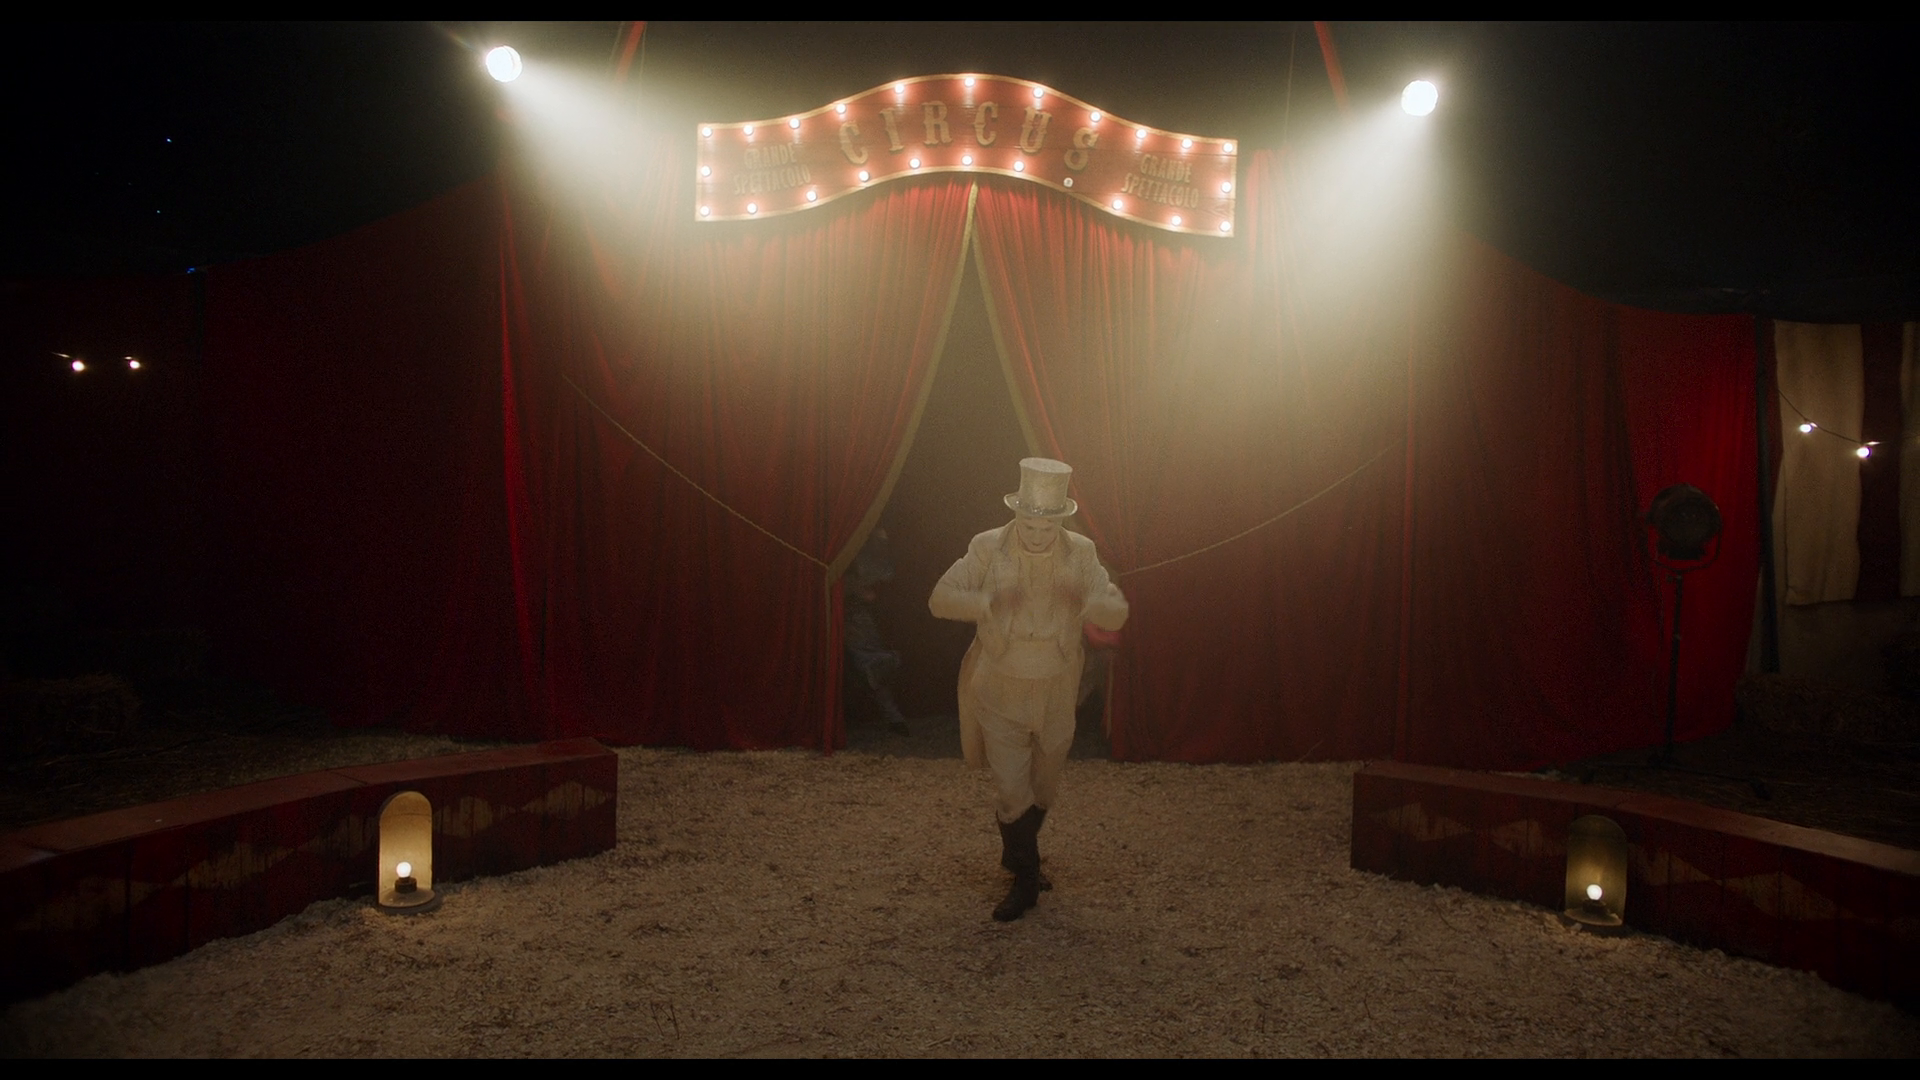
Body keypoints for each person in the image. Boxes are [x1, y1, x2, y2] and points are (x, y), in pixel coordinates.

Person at [928, 457, 1129, 921]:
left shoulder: (1081, 552)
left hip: (1057, 684)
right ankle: (1026, 876)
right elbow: (940, 598)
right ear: (1016, 513)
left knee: (1045, 782)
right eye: (1029, 525)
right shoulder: (986, 546)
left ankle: (1016, 851)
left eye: (1047, 527)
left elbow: (1116, 613)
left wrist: (1087, 600)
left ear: (1061, 521)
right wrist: (988, 601)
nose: (1037, 536)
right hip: (1000, 682)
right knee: (1010, 785)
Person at [844, 528, 909, 735]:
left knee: (874, 668)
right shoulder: (854, 562)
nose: (880, 545)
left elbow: (882, 585)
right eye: (876, 541)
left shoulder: (883, 565)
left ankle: (894, 718)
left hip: (871, 620)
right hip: (852, 618)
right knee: (871, 665)